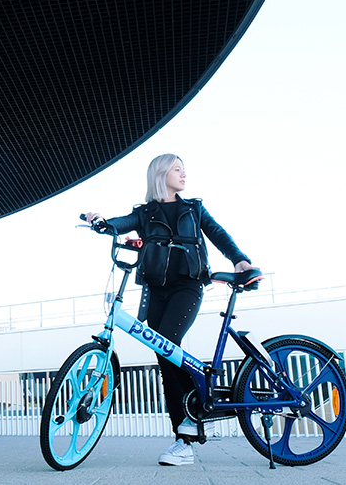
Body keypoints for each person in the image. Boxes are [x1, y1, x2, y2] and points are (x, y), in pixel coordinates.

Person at [85, 153, 253, 467]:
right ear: (162, 174)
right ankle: (185, 430)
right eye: (177, 169)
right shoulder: (146, 212)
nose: (184, 174)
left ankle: (187, 435)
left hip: (187, 286)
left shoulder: (194, 208)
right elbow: (121, 224)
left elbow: (216, 233)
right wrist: (102, 223)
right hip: (155, 291)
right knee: (165, 356)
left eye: (184, 169)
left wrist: (238, 258)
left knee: (167, 342)